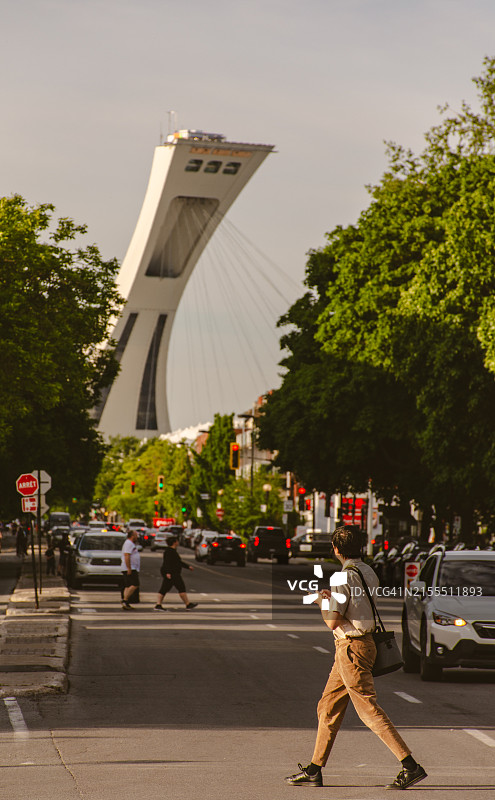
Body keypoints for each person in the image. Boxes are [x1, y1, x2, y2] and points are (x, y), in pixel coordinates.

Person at [285, 525, 426, 791]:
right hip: (360, 644)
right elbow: (357, 605)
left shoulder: (342, 577)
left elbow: (332, 621)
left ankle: (410, 766)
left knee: (368, 709)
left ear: (336, 549)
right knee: (328, 707)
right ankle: (314, 769)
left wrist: (320, 601)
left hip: (352, 648)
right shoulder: (368, 571)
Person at [154, 536, 198, 611]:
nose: (178, 542)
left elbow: (178, 562)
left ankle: (158, 604)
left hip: (173, 573)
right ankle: (188, 604)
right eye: (177, 541)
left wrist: (188, 567)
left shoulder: (172, 551)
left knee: (165, 588)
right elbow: (167, 563)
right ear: (174, 542)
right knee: (180, 587)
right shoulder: (169, 551)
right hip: (172, 573)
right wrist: (168, 572)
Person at [121, 530, 140, 610]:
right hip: (130, 568)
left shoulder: (130, 543)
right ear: (132, 536)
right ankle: (125, 600)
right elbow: (126, 555)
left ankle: (126, 602)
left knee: (128, 585)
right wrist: (129, 568)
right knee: (135, 584)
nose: (137, 537)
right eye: (136, 535)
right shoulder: (128, 543)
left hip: (131, 567)